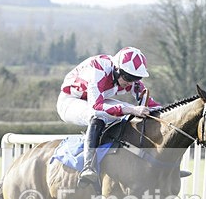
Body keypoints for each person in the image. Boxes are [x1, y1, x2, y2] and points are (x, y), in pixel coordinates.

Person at [57, 46, 160, 187]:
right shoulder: (98, 69)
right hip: (70, 101)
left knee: (131, 113)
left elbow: (151, 105)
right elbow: (96, 106)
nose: (131, 83)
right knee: (98, 116)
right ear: (117, 69)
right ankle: (88, 166)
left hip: (95, 99)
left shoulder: (127, 76)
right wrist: (131, 109)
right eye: (128, 78)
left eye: (136, 78)